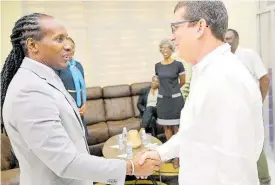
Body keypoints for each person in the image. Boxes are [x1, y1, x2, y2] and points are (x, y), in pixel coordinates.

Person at [0, 13, 161, 185]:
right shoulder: (29, 91)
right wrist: (130, 167)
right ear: (33, 45)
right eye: (59, 39)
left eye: (67, 38)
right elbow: (65, 161)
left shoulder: (46, 78)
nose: (68, 46)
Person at [139, 1, 264, 185]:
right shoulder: (205, 72)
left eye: (176, 28)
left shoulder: (225, 77)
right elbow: (193, 132)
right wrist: (160, 153)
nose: (172, 38)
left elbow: (235, 166)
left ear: (199, 27)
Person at [224, 28, 271, 185]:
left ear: (237, 38)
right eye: (224, 39)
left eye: (229, 38)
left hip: (250, 110)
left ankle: (265, 181)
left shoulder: (249, 55)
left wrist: (258, 101)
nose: (227, 42)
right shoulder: (224, 58)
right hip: (232, 110)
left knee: (255, 143)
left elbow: (264, 79)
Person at [155, 38, 185, 168]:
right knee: (167, 128)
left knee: (176, 129)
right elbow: (158, 82)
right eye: (162, 48)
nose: (164, 50)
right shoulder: (157, 66)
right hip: (163, 100)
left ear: (171, 50)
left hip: (175, 100)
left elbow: (182, 81)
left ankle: (178, 156)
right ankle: (171, 155)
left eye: (167, 48)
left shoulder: (178, 65)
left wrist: (173, 91)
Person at [55, 37, 88, 137]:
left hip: (80, 109)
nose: (69, 50)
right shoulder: (58, 67)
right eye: (65, 48)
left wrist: (84, 104)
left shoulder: (78, 65)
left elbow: (83, 87)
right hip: (67, 110)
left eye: (71, 48)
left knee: (83, 137)